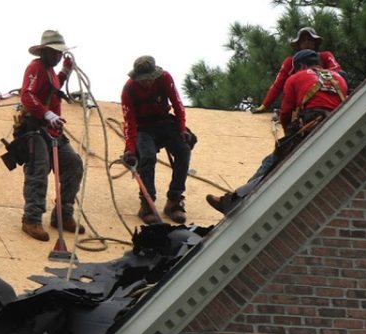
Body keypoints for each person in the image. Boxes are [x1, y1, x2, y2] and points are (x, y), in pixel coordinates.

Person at [207, 49, 348, 214]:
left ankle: (235, 201)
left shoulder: (296, 78)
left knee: (271, 163)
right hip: (339, 127)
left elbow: (286, 113)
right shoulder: (339, 79)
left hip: (310, 128)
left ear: (301, 66)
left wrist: (287, 138)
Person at [15, 29, 84, 241]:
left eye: (59, 53)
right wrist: (46, 113)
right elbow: (27, 95)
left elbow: (53, 88)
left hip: (52, 130)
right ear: (44, 51)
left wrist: (65, 72)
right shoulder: (35, 67)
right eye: (54, 52)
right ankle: (31, 219)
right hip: (35, 128)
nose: (58, 56)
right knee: (39, 169)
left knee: (73, 164)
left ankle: (63, 214)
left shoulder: (50, 71)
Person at [120, 55, 192, 224]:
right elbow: (129, 121)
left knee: (183, 150)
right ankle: (147, 203)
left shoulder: (165, 78)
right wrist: (130, 148)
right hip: (143, 128)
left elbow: (178, 105)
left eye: (149, 79)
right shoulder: (129, 89)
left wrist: (182, 129)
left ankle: (174, 200)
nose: (146, 82)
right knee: (147, 156)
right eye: (142, 80)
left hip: (164, 122)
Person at [253, 26, 343, 114]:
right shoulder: (290, 62)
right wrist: (264, 105)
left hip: (329, 104)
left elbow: (338, 72)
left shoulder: (325, 56)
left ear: (315, 43)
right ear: (299, 44)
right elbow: (278, 85)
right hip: (301, 107)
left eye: (310, 40)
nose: (307, 42)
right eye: (303, 40)